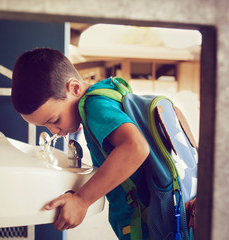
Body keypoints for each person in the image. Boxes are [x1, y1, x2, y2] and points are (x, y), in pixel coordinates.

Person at [11, 48, 150, 239]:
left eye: (54, 119)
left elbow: (135, 147)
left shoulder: (95, 105)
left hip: (144, 223)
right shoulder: (108, 91)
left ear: (75, 88)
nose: (53, 131)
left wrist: (81, 200)